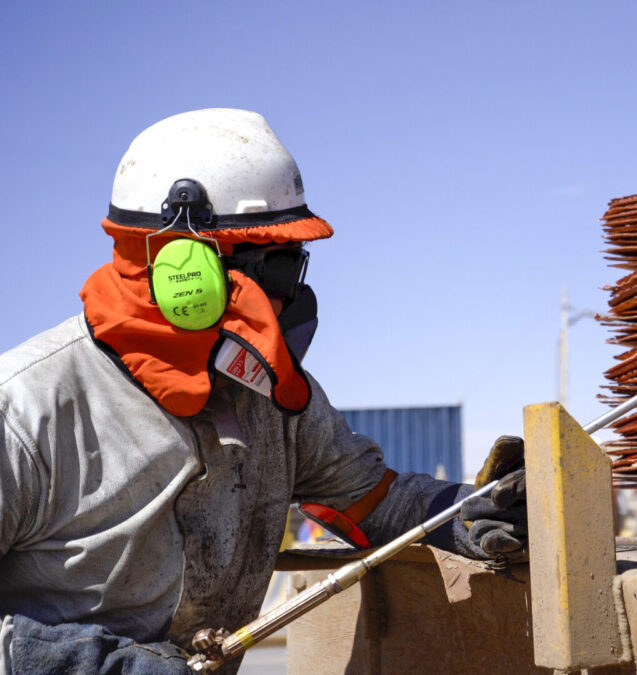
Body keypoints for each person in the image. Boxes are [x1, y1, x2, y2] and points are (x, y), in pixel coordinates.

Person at [0, 109, 527, 674]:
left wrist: (466, 514)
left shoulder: (273, 401)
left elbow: (373, 500)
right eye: (278, 269)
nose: (291, 296)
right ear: (186, 271)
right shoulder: (26, 411)